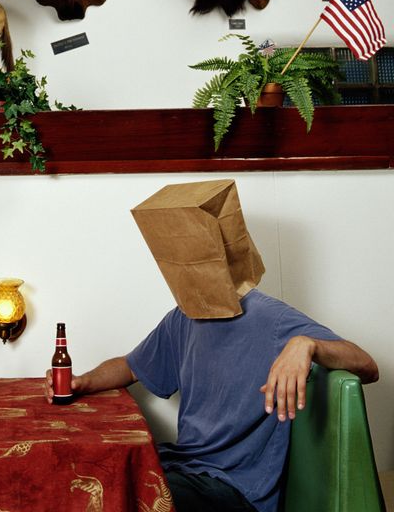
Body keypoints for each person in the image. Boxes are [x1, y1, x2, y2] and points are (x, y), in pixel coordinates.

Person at [45, 180, 379, 512]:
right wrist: (81, 382)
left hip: (234, 488)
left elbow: (367, 366)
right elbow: (131, 365)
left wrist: (307, 344)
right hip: (182, 466)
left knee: (123, 495)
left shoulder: (273, 320)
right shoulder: (184, 316)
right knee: (87, 472)